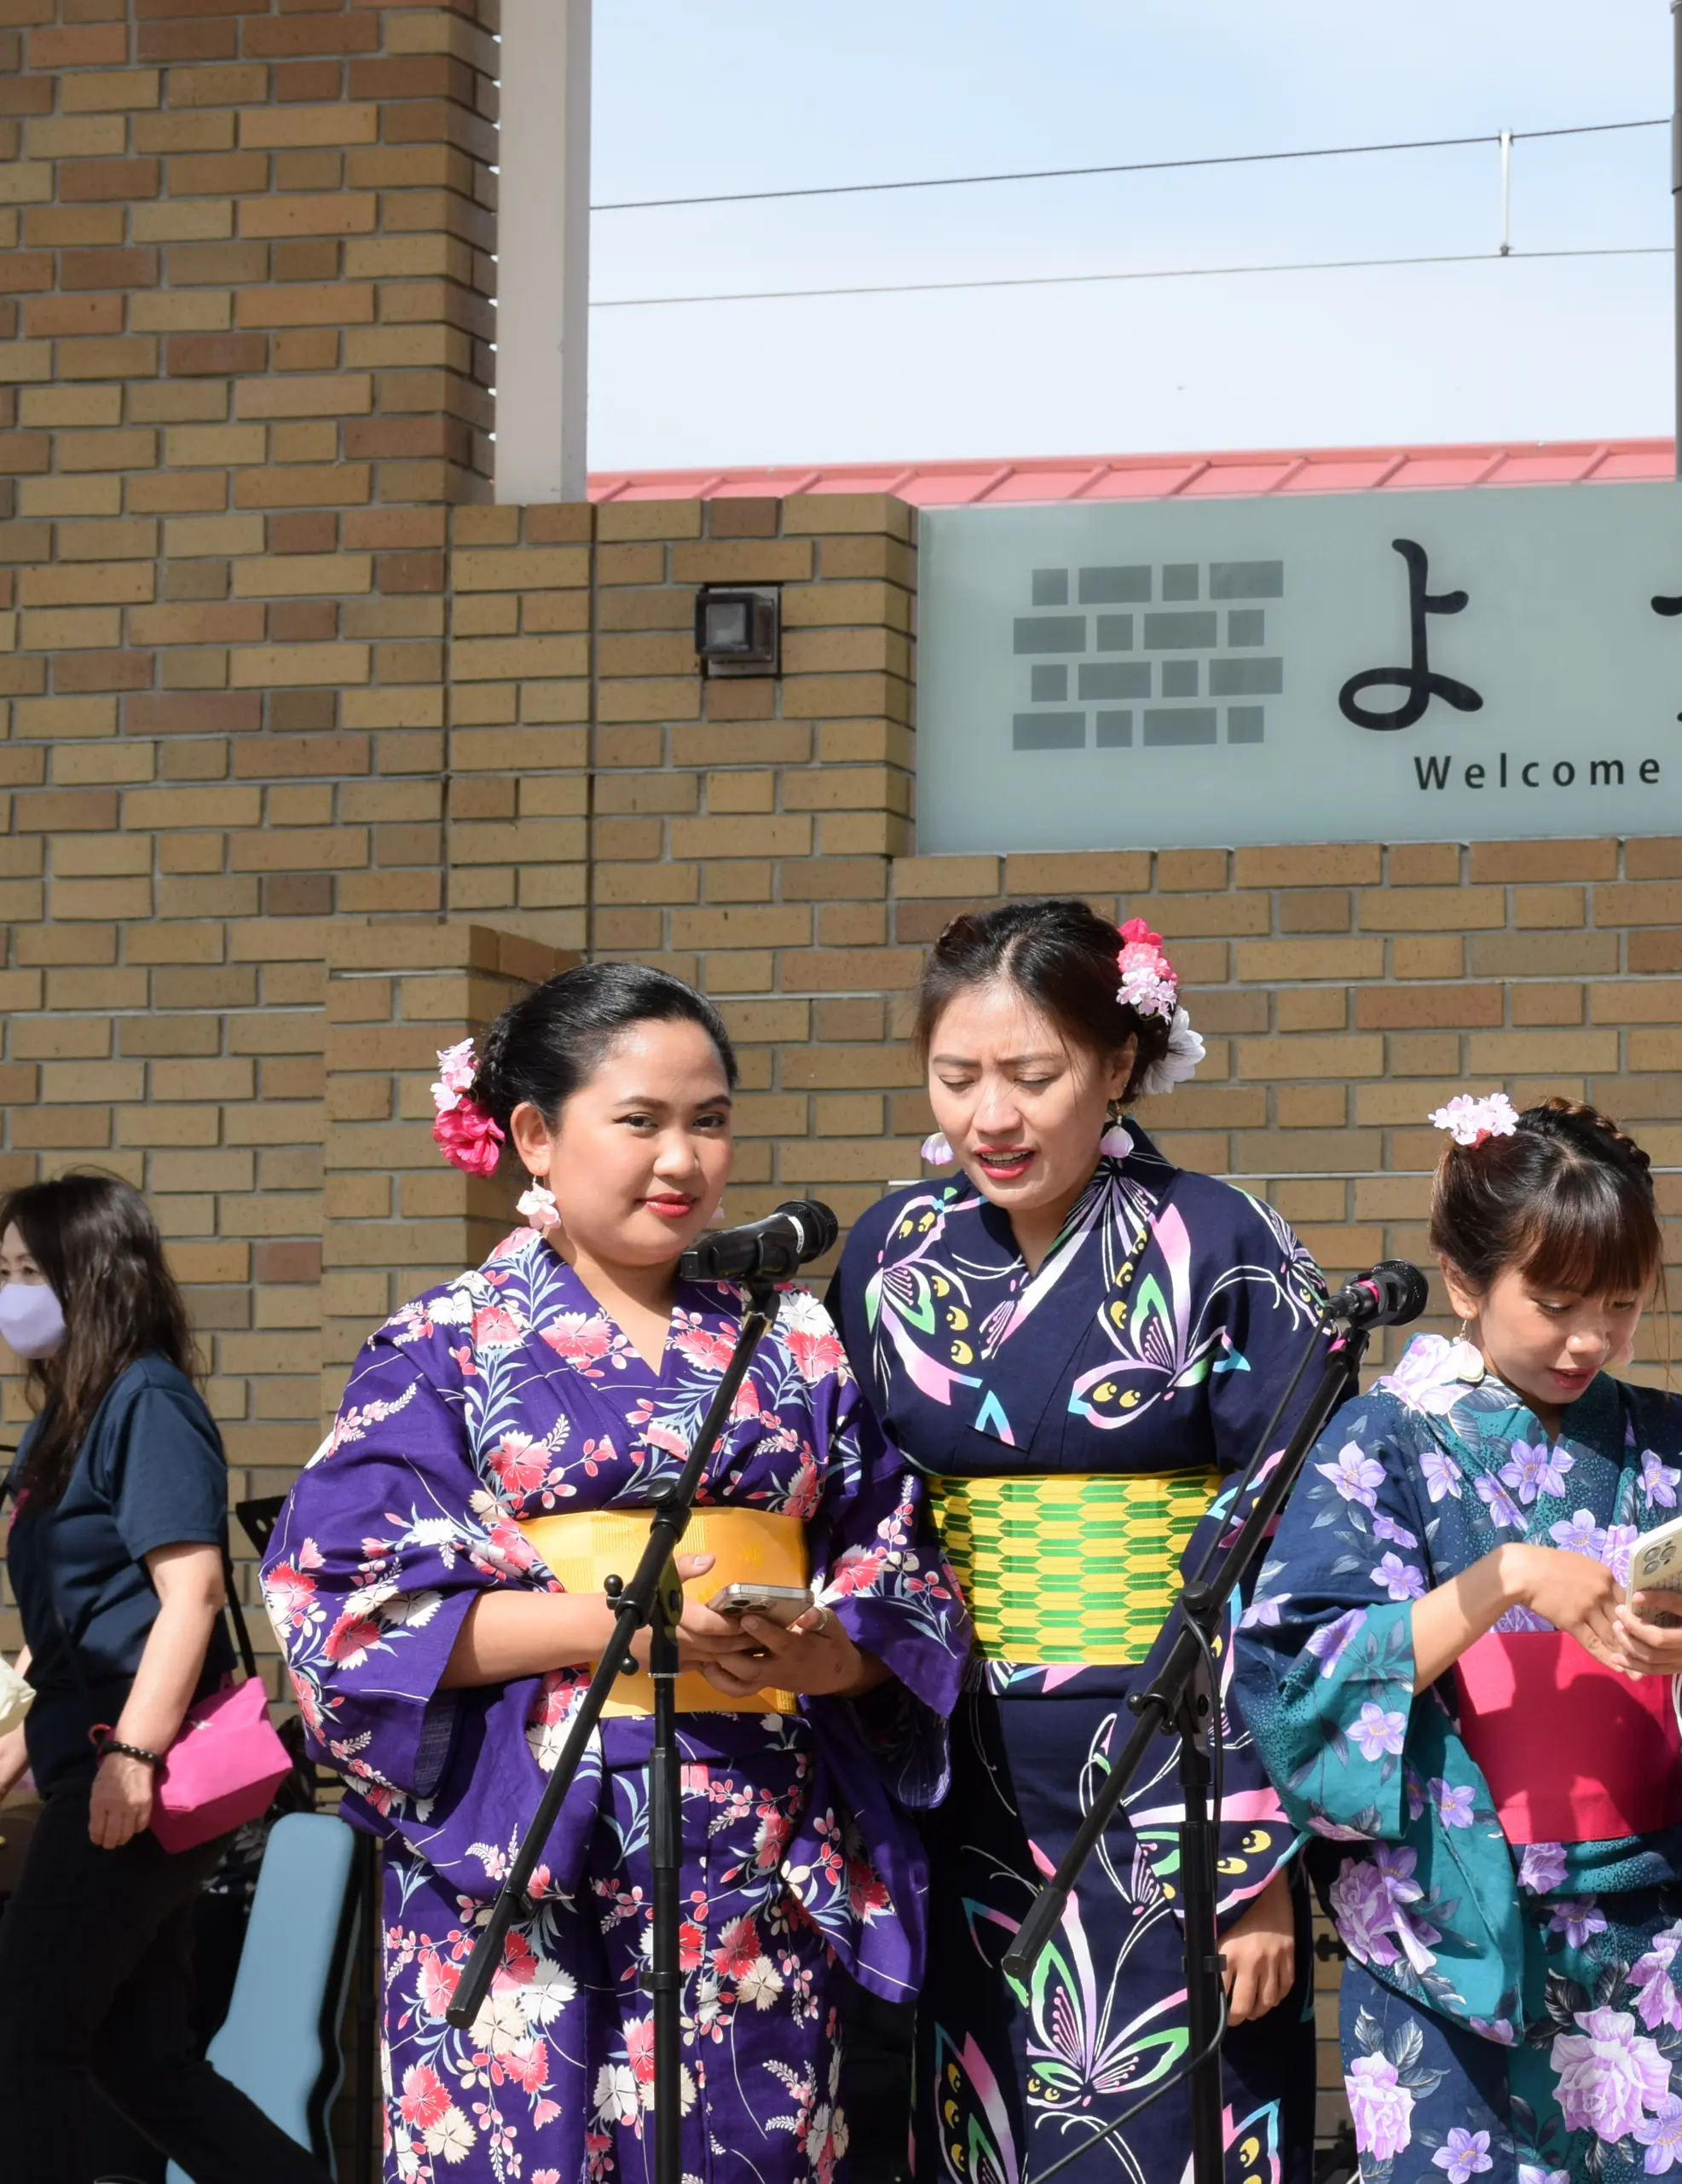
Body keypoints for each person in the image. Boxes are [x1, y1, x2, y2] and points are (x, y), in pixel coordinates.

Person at [265, 962, 970, 2184]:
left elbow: (891, 1560)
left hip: (749, 1841)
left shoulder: (793, 1335)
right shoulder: (446, 1342)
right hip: (525, 1847)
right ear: (535, 1135)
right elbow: (345, 1610)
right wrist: (623, 1628)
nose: (683, 1159)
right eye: (640, 1121)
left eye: (709, 1120)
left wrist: (835, 1653)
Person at [1236, 1090, 1682, 2184]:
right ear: (1465, 1281)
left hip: (1654, 1932)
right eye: (1557, 1301)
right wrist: (1505, 1578)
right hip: (1454, 1932)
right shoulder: (1380, 1440)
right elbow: (1297, 1681)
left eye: (1619, 1306)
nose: (1590, 1340)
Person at [827, 899, 1325, 2184]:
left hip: (1175, 1775)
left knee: (1178, 2128)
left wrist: (1259, 1856)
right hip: (960, 1764)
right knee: (977, 2114)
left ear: (1116, 1064)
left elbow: (1303, 1551)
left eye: (1032, 1075)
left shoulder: (1224, 1241)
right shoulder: (890, 1252)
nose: (990, 1115)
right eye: (957, 1076)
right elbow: (849, 1495)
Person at [0, 1174, 336, 2184]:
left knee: (24, 2038)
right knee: (135, 2059)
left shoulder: (147, 1401)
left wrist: (133, 1758)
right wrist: (15, 1747)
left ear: (92, 1276)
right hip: (85, 1763)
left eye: (30, 1272)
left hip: (132, 1779)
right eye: (4, 1271)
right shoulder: (62, 1417)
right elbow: (69, 1622)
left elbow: (189, 1594)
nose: (11, 1293)